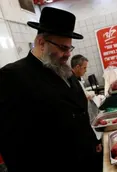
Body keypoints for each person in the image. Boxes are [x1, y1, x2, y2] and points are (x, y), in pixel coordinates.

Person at [0, 7, 102, 172]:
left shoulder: (63, 70)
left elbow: (79, 113)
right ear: (41, 42)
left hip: (86, 161)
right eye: (63, 48)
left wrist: (93, 142)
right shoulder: (13, 76)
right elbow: (12, 143)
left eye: (70, 48)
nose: (68, 54)